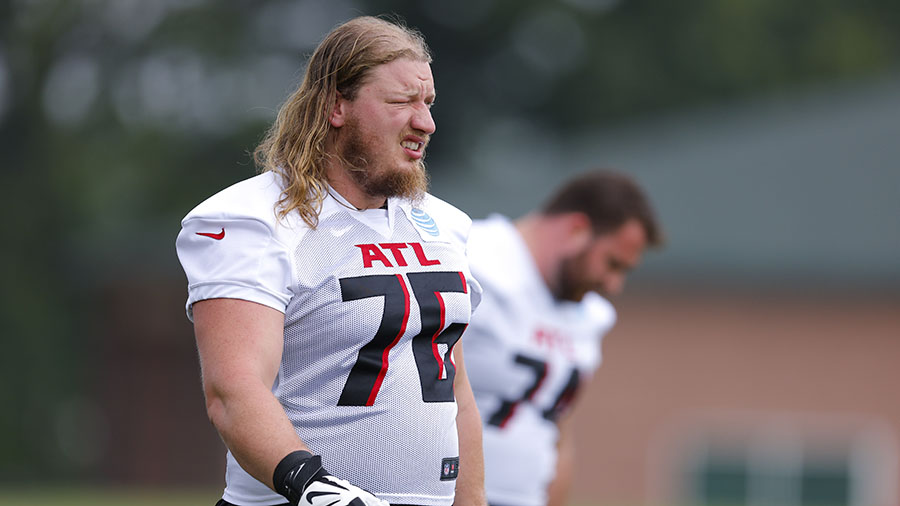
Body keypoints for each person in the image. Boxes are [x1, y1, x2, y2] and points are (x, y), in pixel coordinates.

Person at [175, 16, 486, 506]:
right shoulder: (252, 220)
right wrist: (319, 490)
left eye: (427, 103)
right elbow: (233, 390)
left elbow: (456, 393)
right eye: (402, 102)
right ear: (335, 106)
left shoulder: (445, 225)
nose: (424, 122)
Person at [462, 170, 663, 506]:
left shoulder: (589, 316)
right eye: (613, 264)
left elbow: (558, 433)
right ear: (577, 230)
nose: (614, 285)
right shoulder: (470, 259)